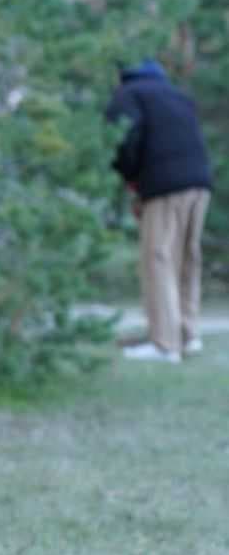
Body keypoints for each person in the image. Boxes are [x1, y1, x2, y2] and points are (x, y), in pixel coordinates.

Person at [106, 58, 212, 363]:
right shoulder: (177, 96)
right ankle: (188, 335)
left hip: (164, 185)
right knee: (187, 258)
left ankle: (165, 344)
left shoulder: (128, 95)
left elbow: (123, 140)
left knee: (158, 258)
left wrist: (132, 181)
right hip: (200, 182)